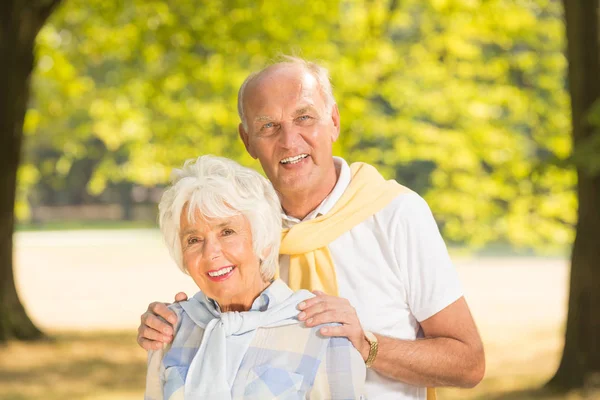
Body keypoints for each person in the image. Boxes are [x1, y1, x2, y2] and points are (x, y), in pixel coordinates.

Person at [139, 56, 485, 399]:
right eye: (268, 126)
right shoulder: (244, 226)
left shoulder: (396, 213)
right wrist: (175, 326)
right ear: (248, 141)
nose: (290, 140)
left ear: (333, 121)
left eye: (304, 117)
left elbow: (468, 363)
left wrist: (366, 345)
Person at [145, 155, 366, 400]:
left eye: (227, 232)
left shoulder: (321, 333)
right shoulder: (169, 328)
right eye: (193, 240)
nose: (211, 253)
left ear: (263, 241)